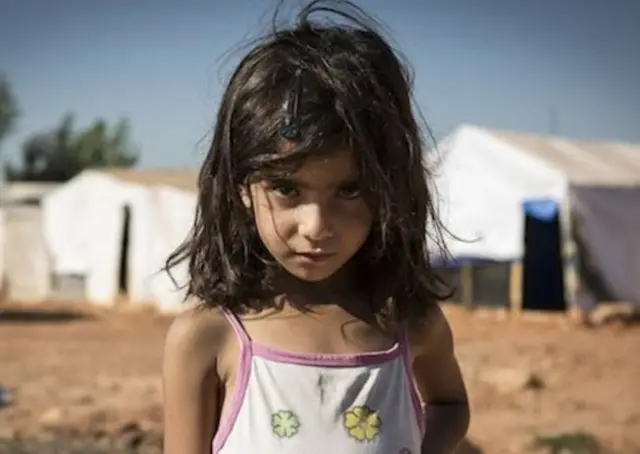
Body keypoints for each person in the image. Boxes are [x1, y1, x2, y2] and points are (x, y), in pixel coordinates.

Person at [162, 1, 470, 453]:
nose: (316, 226)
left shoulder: (408, 321)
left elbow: (449, 405)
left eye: (349, 191)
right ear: (241, 187)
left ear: (389, 186)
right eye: (287, 189)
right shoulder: (208, 335)